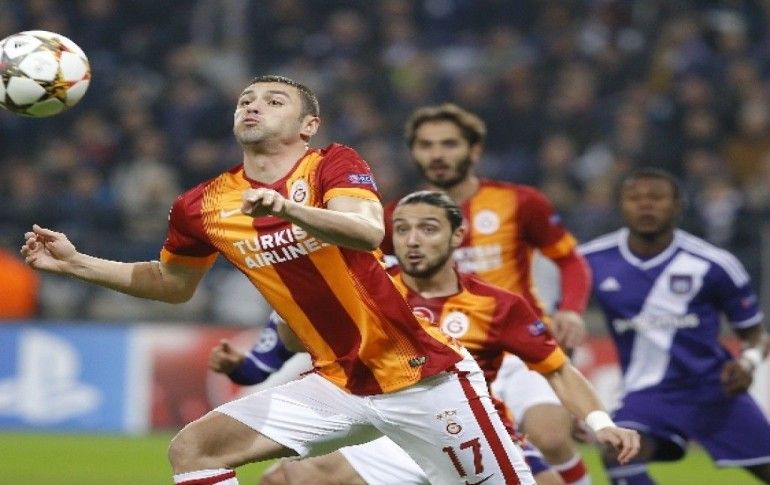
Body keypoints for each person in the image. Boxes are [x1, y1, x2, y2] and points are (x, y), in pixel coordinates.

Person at [21, 76, 535, 485]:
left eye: (273, 101)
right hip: (336, 383)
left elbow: (366, 231)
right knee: (194, 450)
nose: (253, 105)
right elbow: (170, 283)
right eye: (246, 100)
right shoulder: (202, 205)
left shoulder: (333, 163)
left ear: (309, 125)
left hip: (421, 376)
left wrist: (289, 209)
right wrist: (77, 263)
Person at [211, 191, 641, 485]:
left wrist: (602, 425)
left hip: (465, 434)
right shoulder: (366, 289)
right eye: (402, 229)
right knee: (284, 478)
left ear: (457, 237)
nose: (413, 241)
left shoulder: (496, 305)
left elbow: (558, 371)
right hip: (396, 434)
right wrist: (294, 307)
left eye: (429, 229)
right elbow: (294, 339)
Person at [381, 103, 594, 484]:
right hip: (444, 360)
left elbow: (570, 260)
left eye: (449, 144)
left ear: (474, 150)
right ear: (413, 153)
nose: (437, 154)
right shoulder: (398, 216)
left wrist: (572, 309)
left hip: (520, 350)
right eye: (426, 145)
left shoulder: (520, 202)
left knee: (550, 437)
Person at [579, 168, 770, 484]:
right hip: (647, 395)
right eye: (634, 198)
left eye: (656, 198)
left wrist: (748, 363)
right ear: (621, 205)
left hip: (716, 391)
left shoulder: (714, 263)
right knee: (619, 451)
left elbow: (755, 335)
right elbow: (559, 322)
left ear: (678, 205)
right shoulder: (590, 260)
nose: (645, 205)